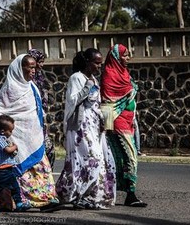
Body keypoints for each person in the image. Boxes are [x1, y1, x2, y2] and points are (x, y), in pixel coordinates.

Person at [0, 54, 60, 212]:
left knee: (41, 168)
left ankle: (46, 199)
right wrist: (5, 126)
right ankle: (22, 201)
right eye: (29, 66)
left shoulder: (32, 87)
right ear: (19, 69)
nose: (33, 70)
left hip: (33, 136)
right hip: (15, 138)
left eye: (34, 67)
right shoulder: (9, 89)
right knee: (21, 173)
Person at [55, 49, 116, 210]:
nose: (99, 66)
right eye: (96, 63)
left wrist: (103, 120)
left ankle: (84, 196)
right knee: (90, 159)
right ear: (87, 62)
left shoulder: (93, 79)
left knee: (97, 160)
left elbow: (96, 103)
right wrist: (87, 87)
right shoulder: (76, 78)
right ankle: (77, 194)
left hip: (94, 126)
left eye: (100, 63)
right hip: (80, 127)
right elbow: (73, 100)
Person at [100, 43, 147, 207]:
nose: (128, 58)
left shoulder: (124, 73)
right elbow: (107, 103)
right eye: (125, 55)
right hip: (117, 121)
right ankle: (130, 193)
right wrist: (106, 127)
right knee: (130, 156)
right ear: (116, 57)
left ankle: (129, 193)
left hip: (128, 120)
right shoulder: (109, 75)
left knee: (126, 157)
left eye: (128, 55)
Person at [0, 114, 31, 214]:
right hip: (1, 170)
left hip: (8, 168)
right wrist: (15, 147)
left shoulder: (4, 139)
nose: (11, 133)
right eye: (10, 130)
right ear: (2, 131)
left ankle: (19, 204)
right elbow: (7, 150)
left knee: (15, 187)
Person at [28, 49, 56, 169]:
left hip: (40, 119)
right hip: (30, 120)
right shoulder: (26, 80)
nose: (41, 65)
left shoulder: (40, 78)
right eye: (40, 62)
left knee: (49, 149)